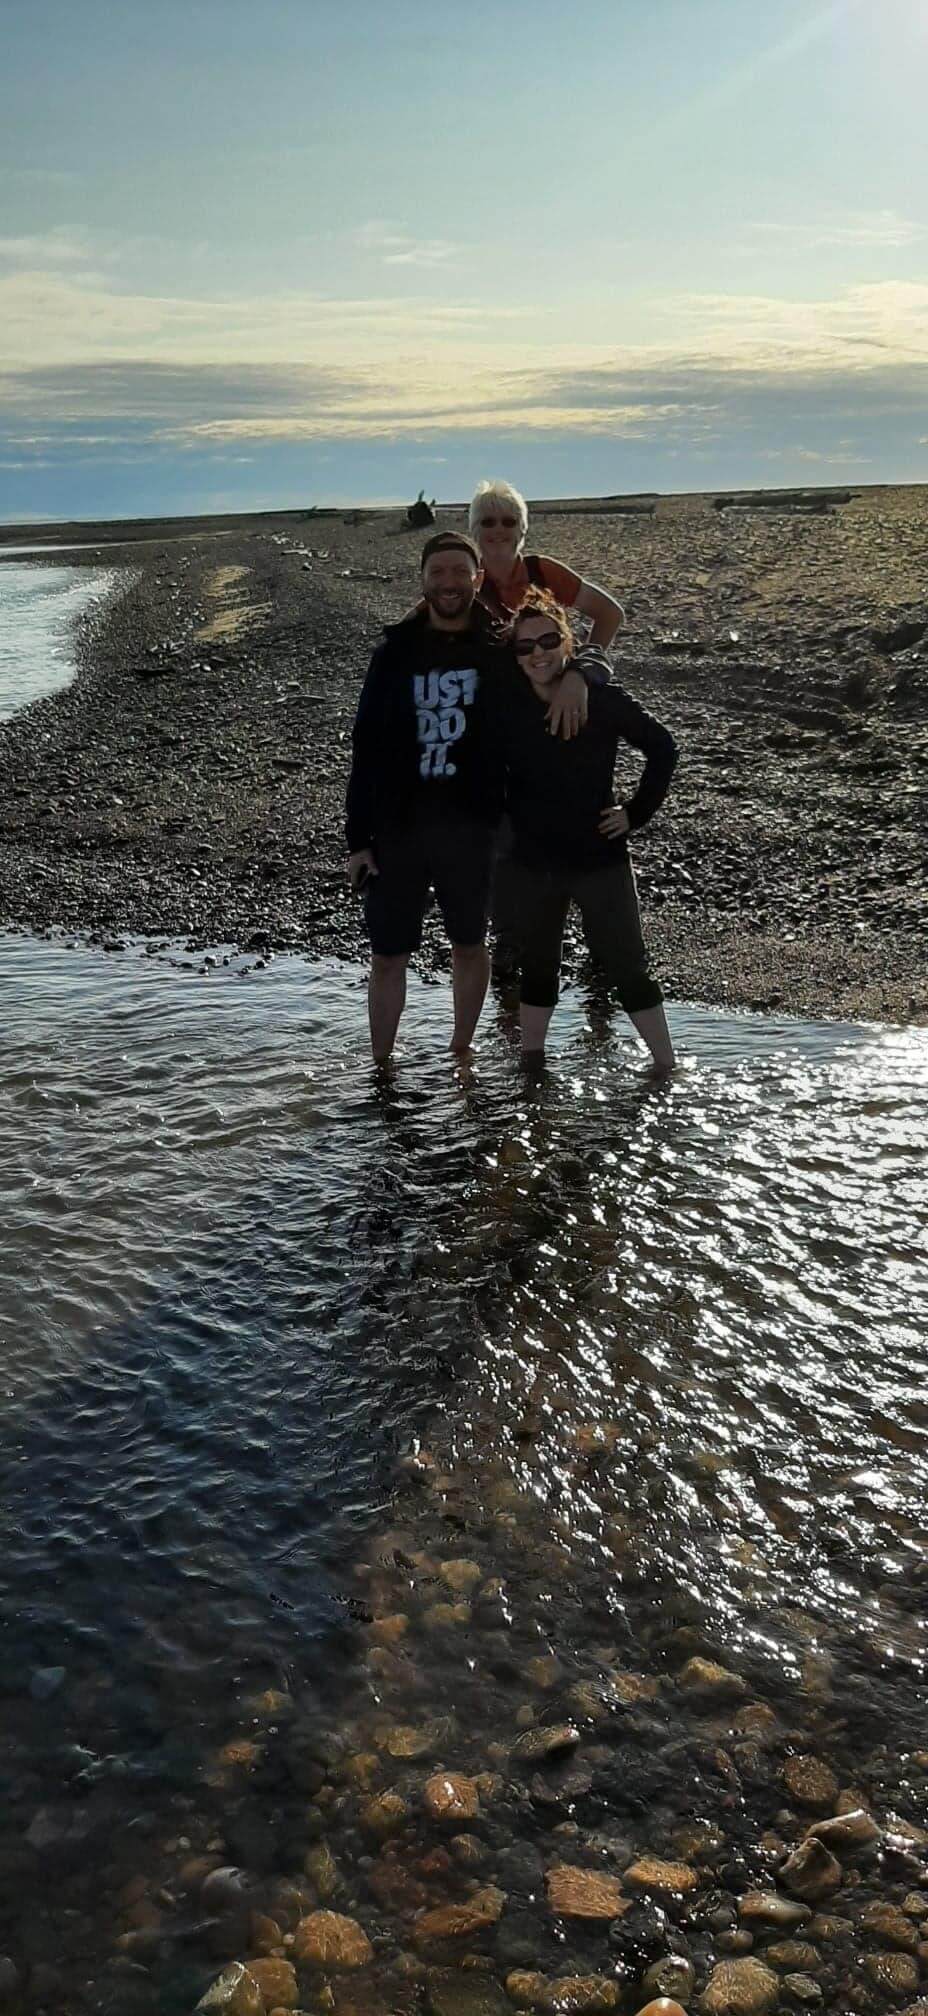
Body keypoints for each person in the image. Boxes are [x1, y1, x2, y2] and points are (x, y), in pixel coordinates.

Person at [345, 534, 591, 1064]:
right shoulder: (393, 653)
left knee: (469, 944)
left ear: (476, 579)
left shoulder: (497, 652)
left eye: (460, 571)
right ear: (423, 580)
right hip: (397, 830)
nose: (449, 582)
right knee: (388, 954)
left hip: (473, 828)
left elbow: (551, 659)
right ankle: (381, 1067)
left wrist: (580, 677)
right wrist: (357, 840)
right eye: (438, 572)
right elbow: (364, 745)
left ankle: (461, 1052)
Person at [498, 589, 677, 1070]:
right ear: (514, 655)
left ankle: (666, 1068)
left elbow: (664, 749)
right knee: (538, 968)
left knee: (628, 965)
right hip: (534, 863)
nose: (537, 653)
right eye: (525, 646)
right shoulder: (506, 707)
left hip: (601, 857)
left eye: (548, 640)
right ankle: (531, 1069)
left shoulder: (600, 698)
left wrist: (635, 813)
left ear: (567, 642)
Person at [469, 478, 623, 647]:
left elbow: (610, 613)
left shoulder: (542, 572)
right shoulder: (466, 577)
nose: (498, 529)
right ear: (474, 529)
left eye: (509, 522)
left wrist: (588, 666)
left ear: (522, 529)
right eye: (488, 522)